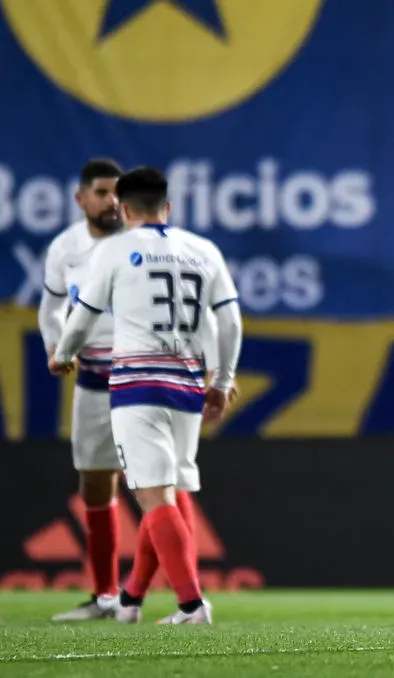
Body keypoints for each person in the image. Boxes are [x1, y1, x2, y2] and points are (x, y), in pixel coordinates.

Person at [50, 167, 243, 625]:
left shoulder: (115, 248)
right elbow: (230, 321)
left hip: (138, 384)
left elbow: (82, 315)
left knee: (154, 497)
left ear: (126, 209)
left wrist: (63, 353)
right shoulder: (203, 249)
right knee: (168, 492)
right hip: (189, 385)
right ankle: (133, 596)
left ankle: (192, 606)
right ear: (168, 208)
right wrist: (222, 381)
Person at [38, 159, 125, 621]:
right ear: (81, 198)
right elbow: (50, 308)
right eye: (102, 192)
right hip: (92, 376)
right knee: (95, 482)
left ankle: (180, 596)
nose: (111, 201)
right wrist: (58, 345)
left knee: (158, 483)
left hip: (143, 373)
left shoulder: (138, 242)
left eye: (117, 193)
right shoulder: (66, 248)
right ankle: (107, 596)